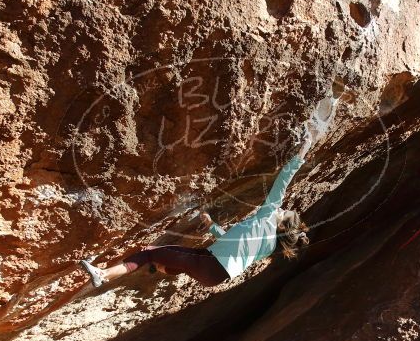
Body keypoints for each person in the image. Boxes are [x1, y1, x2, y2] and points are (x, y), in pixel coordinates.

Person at [79, 95, 339, 289]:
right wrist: (213, 226)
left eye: (284, 211)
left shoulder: (269, 217)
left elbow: (284, 178)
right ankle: (159, 266)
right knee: (170, 258)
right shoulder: (267, 246)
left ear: (282, 222)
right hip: (214, 274)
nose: (281, 208)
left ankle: (102, 275)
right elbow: (229, 243)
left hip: (210, 265)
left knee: (150, 252)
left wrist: (303, 150)